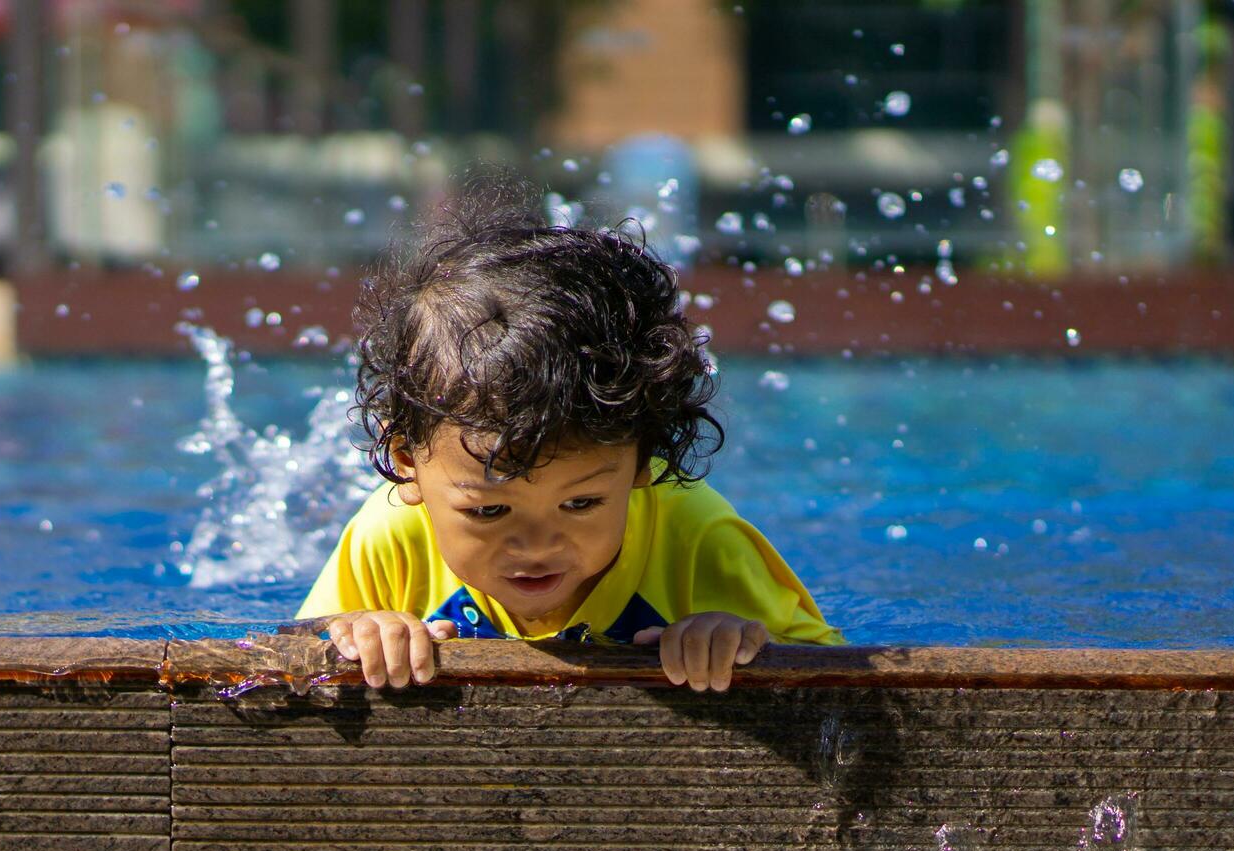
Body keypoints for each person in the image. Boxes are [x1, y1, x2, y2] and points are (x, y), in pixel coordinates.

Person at [298, 170, 843, 692]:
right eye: (489, 510)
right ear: (407, 464)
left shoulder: (699, 535)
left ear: (641, 462)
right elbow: (289, 648)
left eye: (581, 503)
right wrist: (352, 632)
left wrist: (743, 640)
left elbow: (835, 671)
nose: (538, 545)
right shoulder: (391, 534)